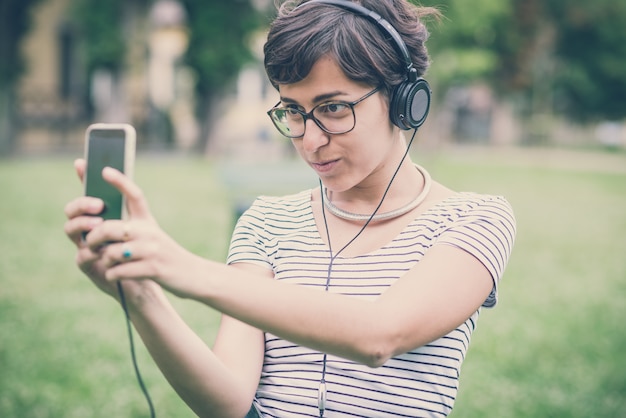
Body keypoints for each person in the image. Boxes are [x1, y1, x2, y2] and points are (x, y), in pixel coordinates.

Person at [64, 0, 516, 417]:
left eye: (334, 108)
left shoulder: (475, 220)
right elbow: (228, 402)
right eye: (293, 112)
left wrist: (182, 267)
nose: (310, 140)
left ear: (403, 100)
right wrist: (143, 294)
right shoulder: (265, 223)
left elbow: (380, 334)